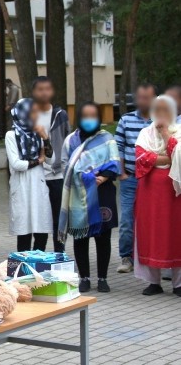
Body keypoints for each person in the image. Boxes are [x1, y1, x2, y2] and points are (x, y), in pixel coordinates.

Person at [59, 102, 121, 293]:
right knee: (81, 236)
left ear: (99, 118)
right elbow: (64, 165)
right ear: (79, 117)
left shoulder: (107, 139)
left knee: (103, 237)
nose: (89, 120)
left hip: (103, 193)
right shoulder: (71, 140)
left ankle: (102, 278)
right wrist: (80, 178)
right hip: (79, 195)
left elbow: (115, 163)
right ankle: (84, 277)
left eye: (93, 116)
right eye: (85, 116)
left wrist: (103, 177)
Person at [134, 95, 181, 295]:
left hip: (174, 192)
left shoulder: (179, 132)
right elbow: (142, 158)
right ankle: (154, 282)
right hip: (149, 192)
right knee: (150, 232)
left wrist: (165, 136)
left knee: (175, 233)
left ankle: (178, 284)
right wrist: (167, 158)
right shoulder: (144, 133)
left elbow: (177, 155)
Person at [114, 83, 158, 273]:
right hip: (131, 178)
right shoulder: (126, 120)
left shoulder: (162, 120)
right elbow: (119, 148)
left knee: (155, 220)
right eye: (139, 97)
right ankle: (127, 258)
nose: (142, 101)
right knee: (126, 220)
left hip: (154, 179)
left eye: (147, 97)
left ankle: (157, 260)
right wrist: (122, 174)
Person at [6, 98, 54, 251]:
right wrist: (39, 161)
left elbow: (51, 160)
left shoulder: (38, 133)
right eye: (33, 112)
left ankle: (38, 266)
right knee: (24, 231)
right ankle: (24, 269)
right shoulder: (11, 135)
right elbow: (16, 164)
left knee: (42, 231)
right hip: (22, 186)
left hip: (38, 185)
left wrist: (45, 139)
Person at [31, 76, 71, 252]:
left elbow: (68, 141)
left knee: (58, 219)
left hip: (57, 175)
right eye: (40, 89)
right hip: (36, 175)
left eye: (47, 88)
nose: (44, 92)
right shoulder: (29, 115)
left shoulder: (60, 115)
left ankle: (59, 256)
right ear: (34, 92)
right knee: (39, 222)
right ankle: (38, 257)